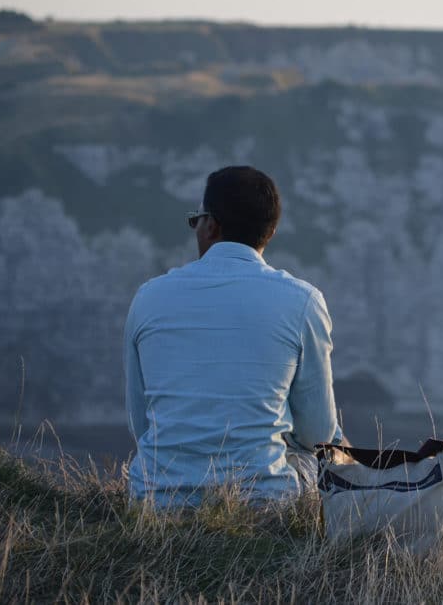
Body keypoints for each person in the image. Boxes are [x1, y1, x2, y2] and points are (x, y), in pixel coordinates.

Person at [124, 165, 342, 507]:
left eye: (196, 220)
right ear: (270, 232)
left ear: (211, 225)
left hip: (156, 500)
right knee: (335, 439)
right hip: (262, 503)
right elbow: (318, 435)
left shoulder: (148, 297)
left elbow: (140, 423)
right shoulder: (303, 301)